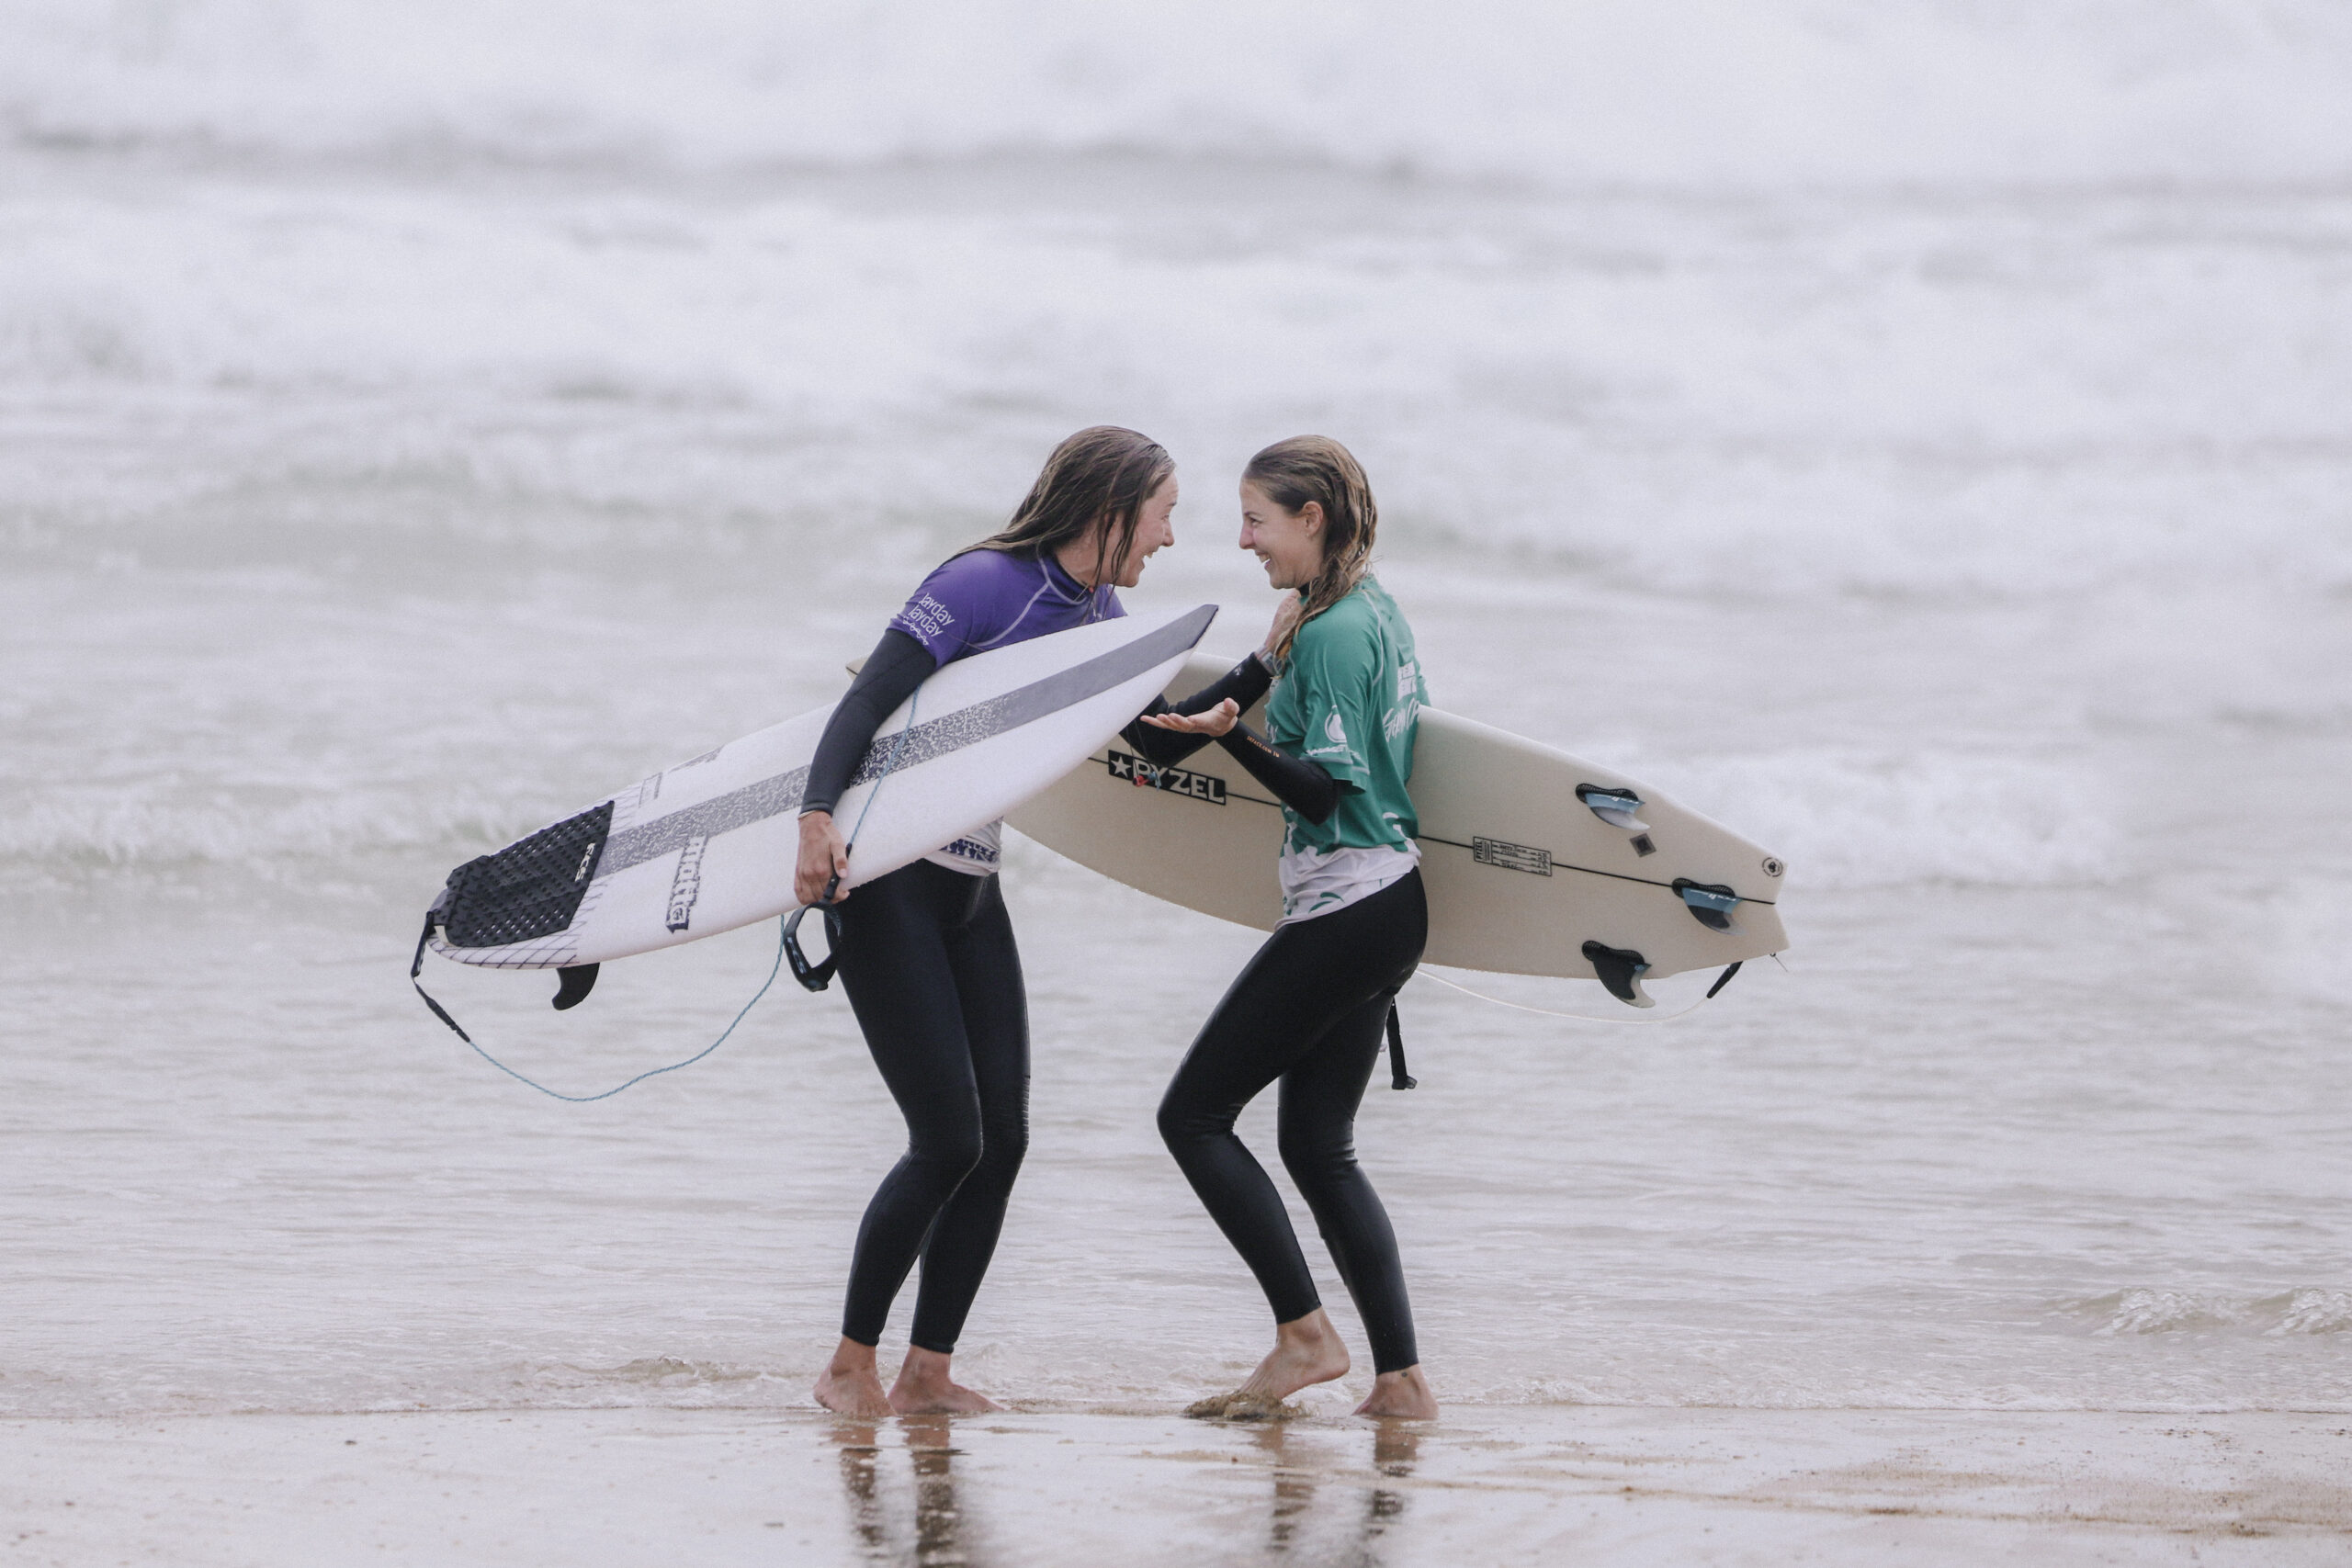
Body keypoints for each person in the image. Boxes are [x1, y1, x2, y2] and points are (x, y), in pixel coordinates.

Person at [797, 425, 1279, 1418]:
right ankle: (849, 1364)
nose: (1170, 538)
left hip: (973, 888)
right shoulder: (981, 585)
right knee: (945, 1138)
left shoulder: (1095, 611)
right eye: (1163, 515)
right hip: (887, 881)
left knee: (1002, 1138)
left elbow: (1143, 741)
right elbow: (864, 705)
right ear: (1112, 511)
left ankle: (926, 1371)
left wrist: (1244, 687)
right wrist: (813, 821)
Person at [1141, 434, 1438, 1420]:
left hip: (1346, 907)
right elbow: (1218, 711)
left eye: (1257, 520)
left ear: (1311, 520)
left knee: (1190, 1118)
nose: (1242, 540)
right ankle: (1399, 1383)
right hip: (1387, 900)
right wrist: (1211, 703)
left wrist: (1238, 745)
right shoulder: (1355, 609)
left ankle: (1304, 1336)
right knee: (1317, 1148)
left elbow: (1322, 789)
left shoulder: (1333, 633)